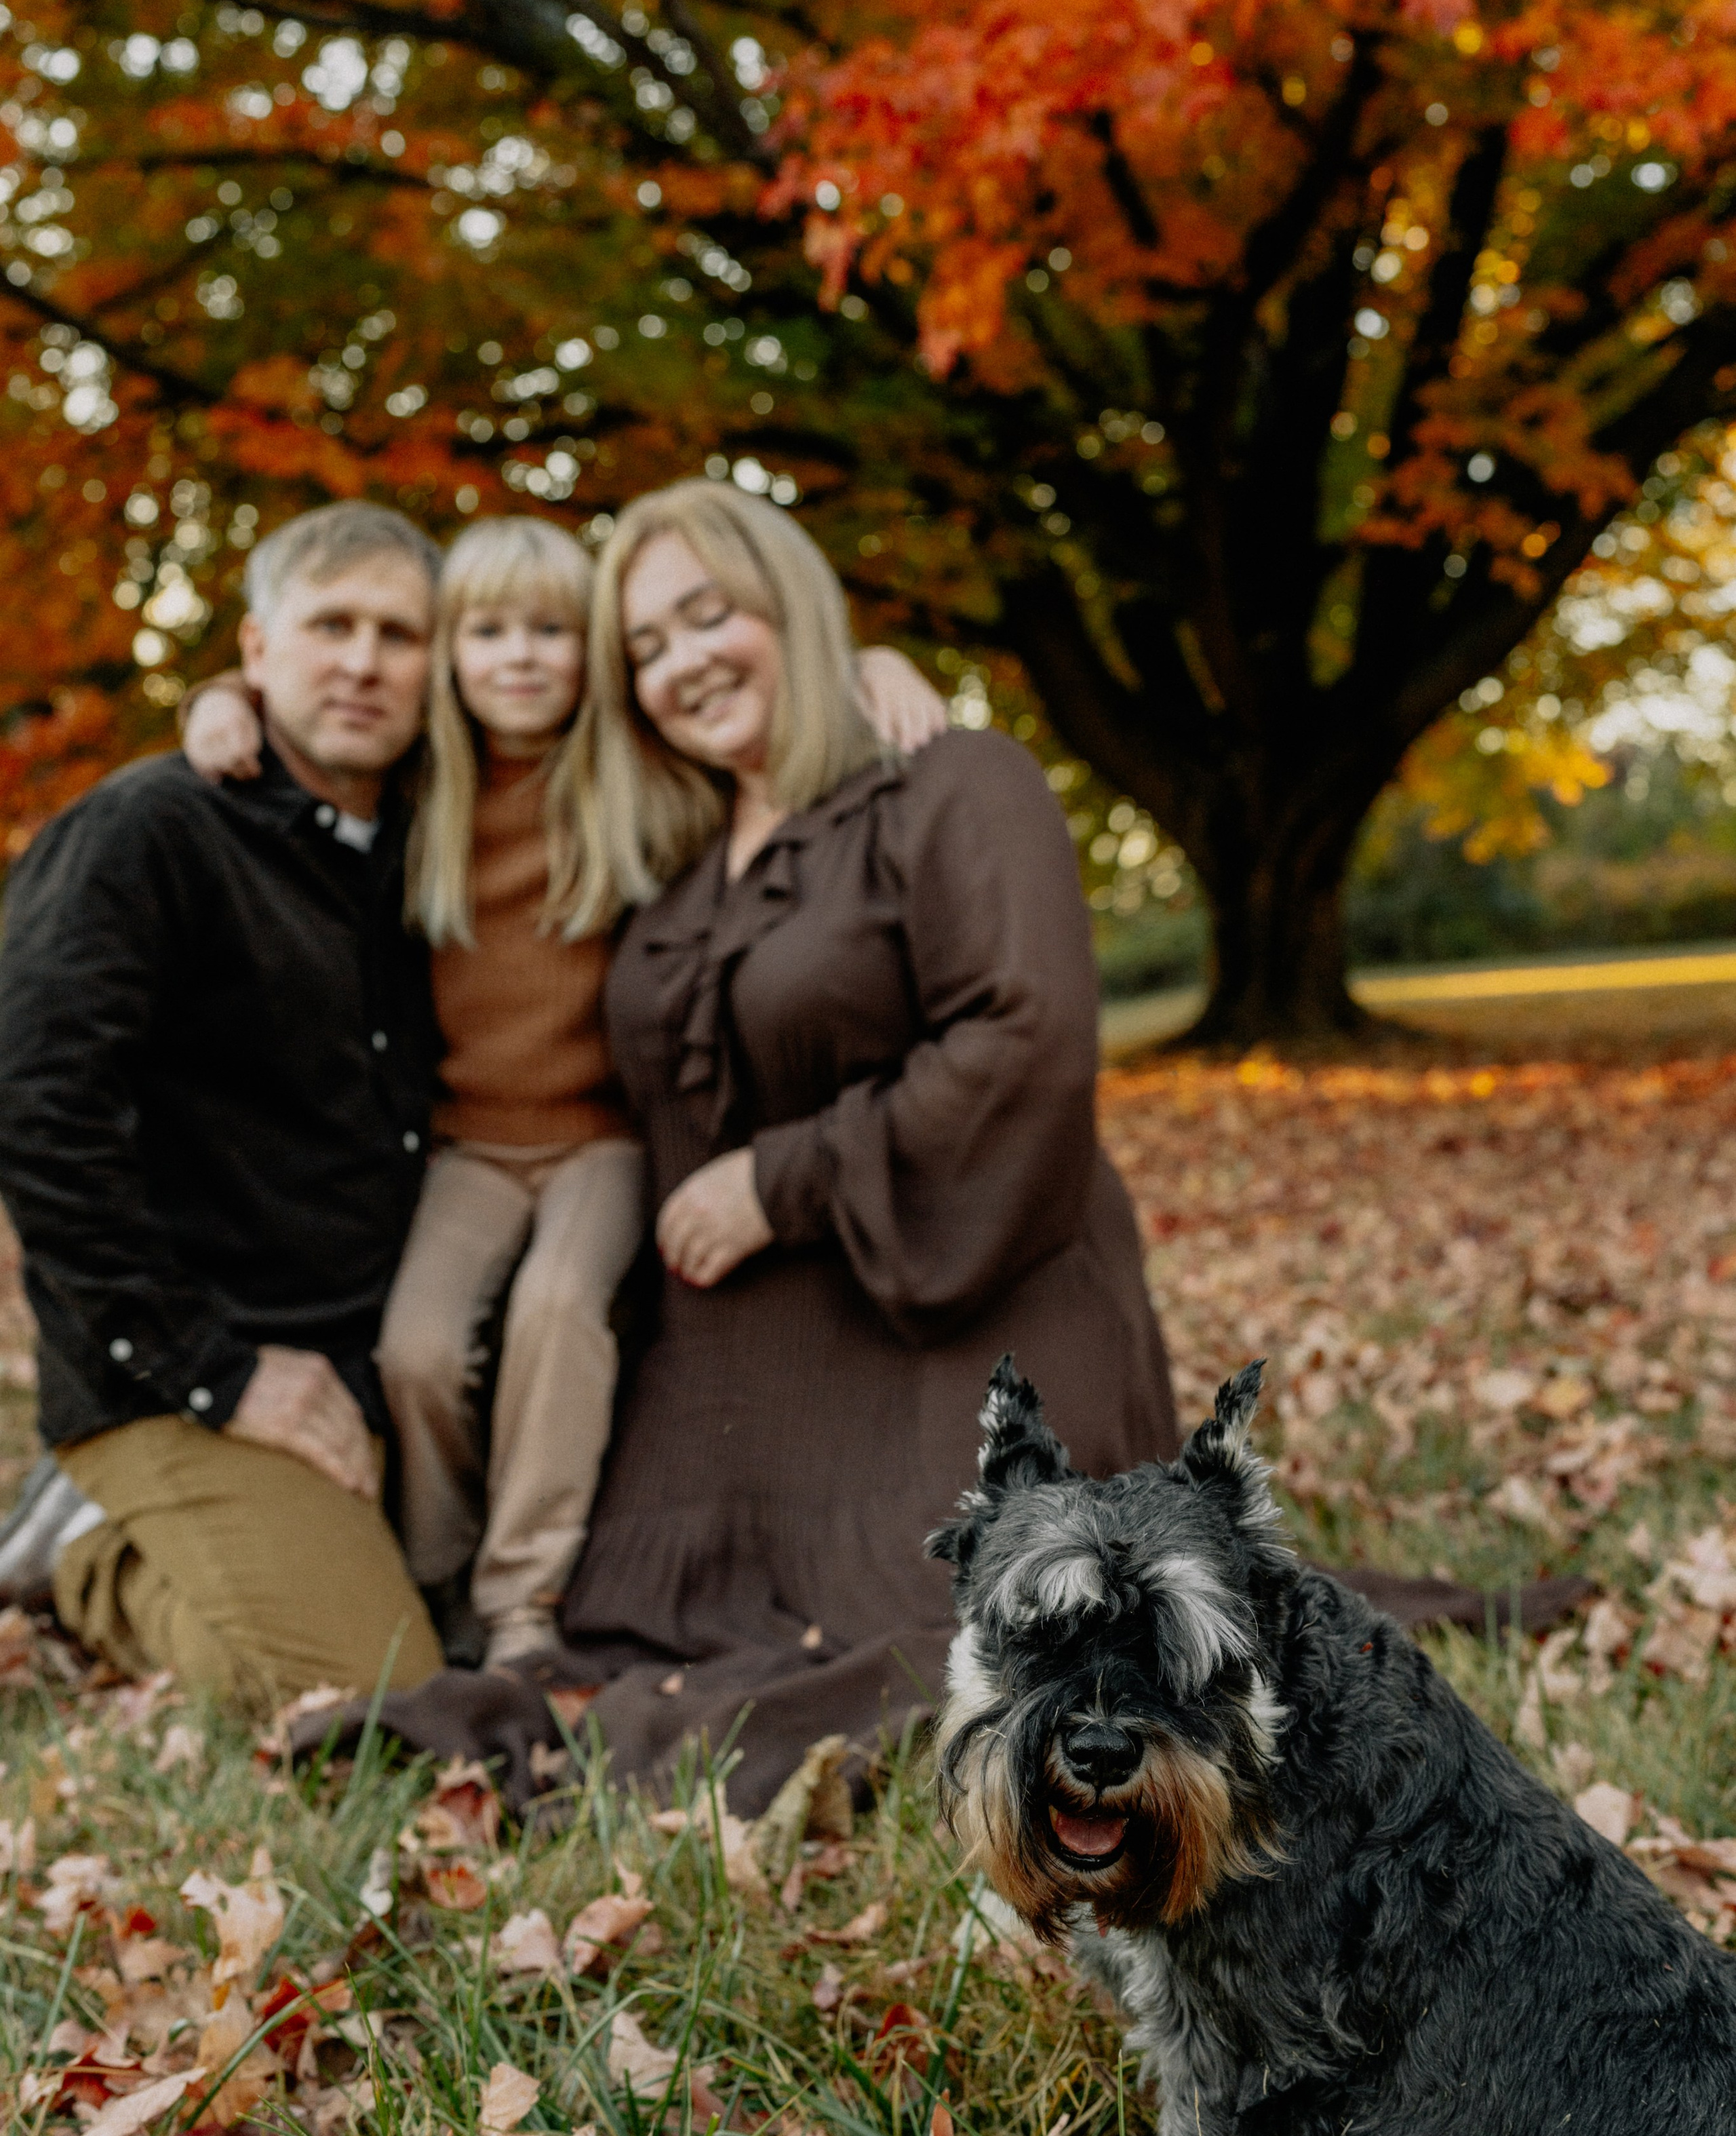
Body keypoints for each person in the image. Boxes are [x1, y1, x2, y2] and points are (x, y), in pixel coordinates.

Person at [176, 516, 947, 1671]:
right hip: (470, 1146)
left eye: (551, 632)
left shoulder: (633, 775)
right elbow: (304, 708)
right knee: (417, 1352)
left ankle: (523, 1601)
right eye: (487, 633)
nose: (520, 658)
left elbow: (763, 719)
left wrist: (868, 666)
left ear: (593, 653)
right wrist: (220, 701)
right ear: (450, 656)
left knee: (554, 1313)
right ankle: (439, 1577)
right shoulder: (423, 783)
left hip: (602, 1144)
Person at [545, 480, 1181, 1814]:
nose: (680, 664)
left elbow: (1025, 1037)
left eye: (708, 615)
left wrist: (782, 1182)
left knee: (955, 1628)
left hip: (969, 1302)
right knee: (637, 1640)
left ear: (789, 603)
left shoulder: (951, 782)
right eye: (644, 648)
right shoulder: (672, 861)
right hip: (735, 1372)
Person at [0, 502, 448, 1705]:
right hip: (185, 1371)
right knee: (375, 1691)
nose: (363, 662)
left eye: (399, 635)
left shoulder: (434, 842)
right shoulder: (149, 830)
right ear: (256, 650)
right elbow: (38, 1112)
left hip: (370, 1362)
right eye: (331, 625)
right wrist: (217, 1370)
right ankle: (89, 1561)